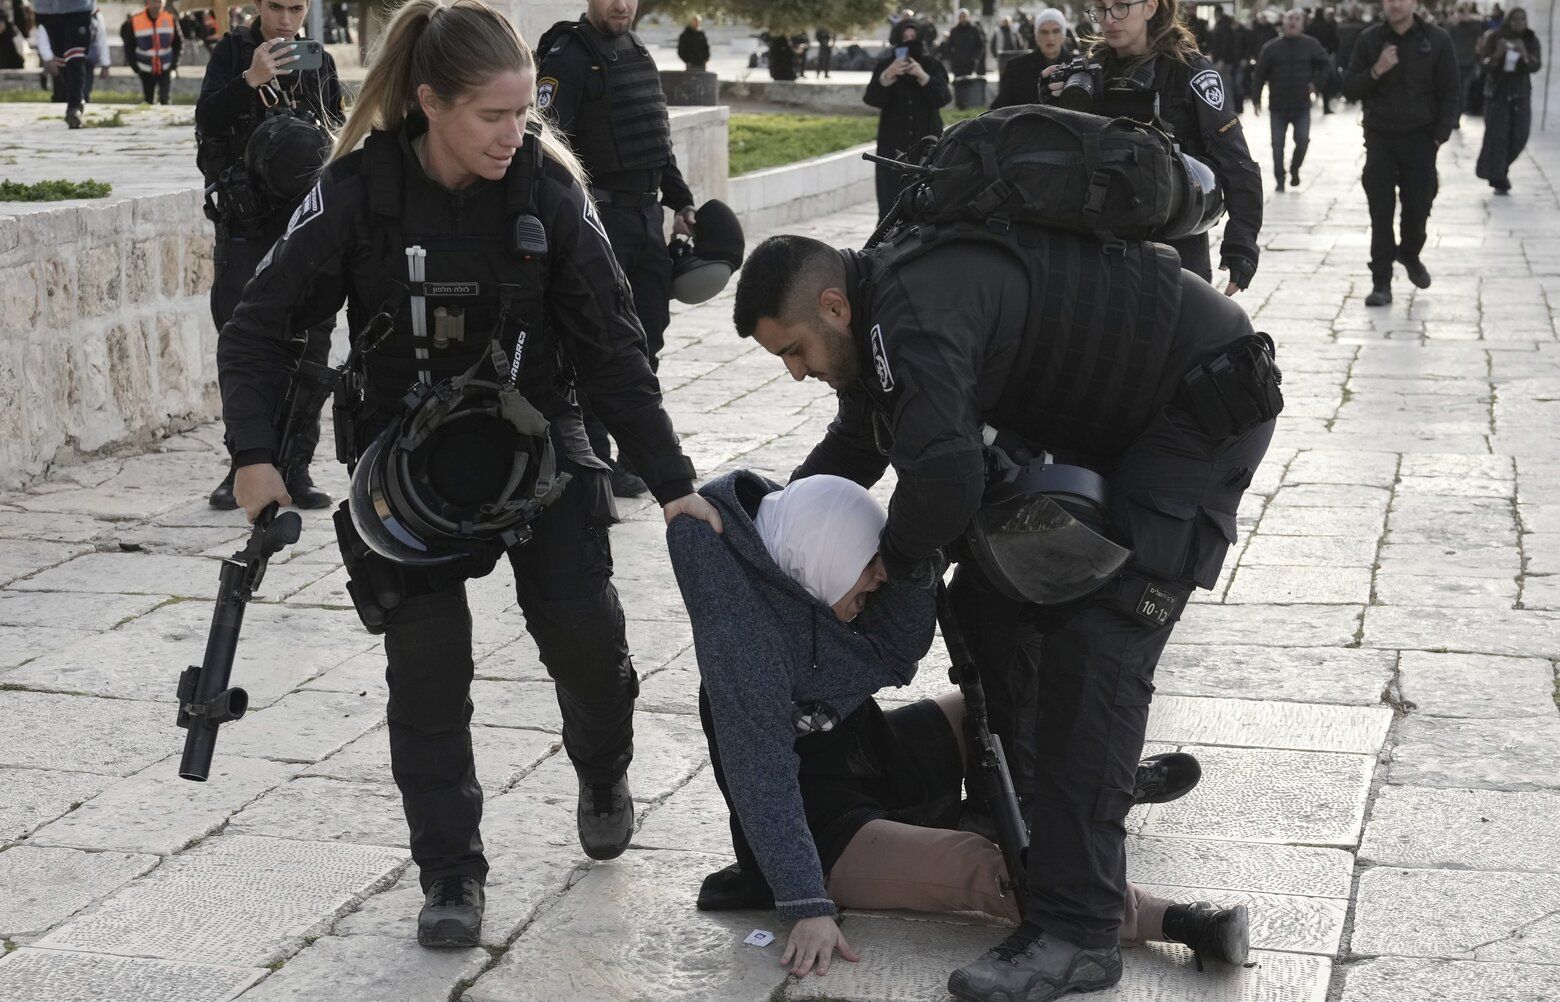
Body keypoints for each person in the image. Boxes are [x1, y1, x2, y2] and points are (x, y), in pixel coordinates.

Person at [218, 0, 719, 949]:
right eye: (492, 116)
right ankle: (450, 873)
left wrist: (672, 479)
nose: (513, 134)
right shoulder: (358, 192)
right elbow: (261, 327)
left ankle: (604, 764)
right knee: (427, 674)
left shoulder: (548, 193)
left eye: (524, 114)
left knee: (585, 638)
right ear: (429, 103)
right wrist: (255, 457)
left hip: (537, 440)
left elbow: (614, 352)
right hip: (405, 468)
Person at [733, 208, 1277, 1000]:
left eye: (795, 351)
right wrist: (760, 529)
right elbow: (859, 446)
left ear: (832, 308)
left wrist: (887, 569)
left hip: (1202, 402)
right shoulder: (881, 319)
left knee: (1096, 651)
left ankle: (1080, 932)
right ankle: (1025, 807)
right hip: (1127, 415)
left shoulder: (910, 316)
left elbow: (946, 480)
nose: (796, 371)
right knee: (992, 608)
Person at [671, 471, 1250, 978]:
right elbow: (763, 780)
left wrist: (914, 559)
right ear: (823, 556)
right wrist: (805, 904)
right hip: (829, 835)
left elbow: (894, 656)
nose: (878, 581)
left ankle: (1095, 784)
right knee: (992, 869)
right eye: (869, 567)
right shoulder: (741, 647)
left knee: (1007, 708)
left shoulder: (794, 580)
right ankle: (1174, 919)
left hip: (875, 758)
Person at [537, 0, 699, 499]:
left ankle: (639, 453)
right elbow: (547, 142)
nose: (620, 4)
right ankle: (598, 459)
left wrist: (682, 201)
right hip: (598, 218)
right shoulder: (567, 54)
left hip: (646, 218)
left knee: (649, 336)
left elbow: (655, 141)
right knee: (602, 339)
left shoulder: (638, 53)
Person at [197, 0, 342, 511]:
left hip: (305, 223)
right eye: (276, 7)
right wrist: (248, 80)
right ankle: (244, 465)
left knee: (311, 344)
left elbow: (337, 134)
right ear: (259, 6)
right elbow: (206, 120)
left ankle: (296, 466)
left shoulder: (316, 59)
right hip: (246, 224)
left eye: (296, 7)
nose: (286, 19)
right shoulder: (234, 52)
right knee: (242, 343)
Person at [1043, 0, 1263, 295]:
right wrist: (1055, 106)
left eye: (1121, 7)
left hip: (1175, 243)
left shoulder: (1190, 71)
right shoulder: (1091, 73)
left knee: (1176, 335)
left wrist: (1241, 245)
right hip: (1101, 242)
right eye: (1100, 9)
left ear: (1149, 7)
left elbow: (1236, 161)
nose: (1109, 19)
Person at [1342, 0, 1458, 306]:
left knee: (1419, 205)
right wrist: (1377, 70)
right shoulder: (1370, 39)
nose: (1395, 4)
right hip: (1380, 137)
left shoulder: (1436, 39)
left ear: (1415, 3)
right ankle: (1381, 282)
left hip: (1421, 139)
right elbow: (1350, 88)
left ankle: (1409, 253)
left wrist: (1439, 136)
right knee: (1381, 211)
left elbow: (1450, 91)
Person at [864, 20, 951, 221]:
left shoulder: (932, 65)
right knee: (890, 197)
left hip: (927, 139)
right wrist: (888, 76)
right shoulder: (886, 66)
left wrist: (923, 77)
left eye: (913, 38)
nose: (909, 43)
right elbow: (871, 98)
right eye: (905, 39)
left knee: (927, 197)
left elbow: (943, 98)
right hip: (893, 141)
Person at [1252, 9, 1331, 191]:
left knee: (1302, 140)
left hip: (1301, 104)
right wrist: (1256, 99)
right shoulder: (1271, 47)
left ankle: (1295, 169)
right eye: (1289, 19)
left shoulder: (1311, 45)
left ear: (1303, 24)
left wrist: (1316, 84)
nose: (1293, 22)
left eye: (1297, 19)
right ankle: (1280, 179)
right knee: (1277, 144)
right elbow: (1259, 74)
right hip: (1278, 105)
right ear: (1283, 22)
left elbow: (1325, 65)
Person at [1475, 7, 1539, 194]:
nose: (1519, 23)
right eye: (1515, 19)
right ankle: (1498, 177)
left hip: (1520, 94)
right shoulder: (1495, 37)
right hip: (1498, 94)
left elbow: (1535, 65)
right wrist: (1497, 55)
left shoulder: (1530, 39)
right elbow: (1483, 66)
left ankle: (1499, 169)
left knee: (1520, 135)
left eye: (1523, 19)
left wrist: (1524, 53)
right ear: (1508, 20)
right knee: (1498, 137)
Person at [991, 7, 1070, 108]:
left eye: (1055, 31)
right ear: (1036, 36)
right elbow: (1000, 109)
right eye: (1044, 32)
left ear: (1063, 35)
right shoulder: (1016, 67)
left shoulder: (1078, 65)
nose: (1050, 38)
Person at [32, 0, 93, 126]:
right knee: (61, 58)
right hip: (46, 9)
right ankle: (76, 99)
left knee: (74, 55)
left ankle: (74, 107)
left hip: (78, 8)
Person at [121, 0, 181, 105]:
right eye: (154, 1)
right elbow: (129, 46)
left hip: (165, 66)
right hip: (145, 67)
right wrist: (135, 66)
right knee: (148, 100)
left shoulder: (170, 19)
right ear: (148, 2)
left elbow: (178, 43)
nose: (157, 4)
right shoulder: (136, 20)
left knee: (165, 98)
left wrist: (174, 64)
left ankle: (166, 119)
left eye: (159, 1)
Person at [947, 7, 986, 76]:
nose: (963, 19)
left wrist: (976, 58)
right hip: (957, 64)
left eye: (964, 16)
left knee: (969, 83)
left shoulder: (974, 29)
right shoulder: (954, 30)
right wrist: (953, 58)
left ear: (968, 17)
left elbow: (980, 45)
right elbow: (949, 46)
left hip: (970, 63)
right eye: (961, 17)